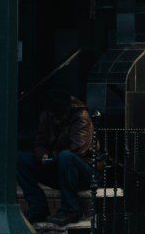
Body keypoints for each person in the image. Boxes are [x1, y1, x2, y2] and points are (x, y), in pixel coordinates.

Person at [17, 89, 96, 226]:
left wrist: (52, 157)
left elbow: (78, 150)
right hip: (58, 167)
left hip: (83, 172)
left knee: (66, 157)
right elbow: (39, 143)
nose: (55, 118)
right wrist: (43, 155)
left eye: (57, 115)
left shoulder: (80, 116)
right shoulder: (48, 114)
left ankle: (71, 209)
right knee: (20, 159)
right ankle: (38, 207)